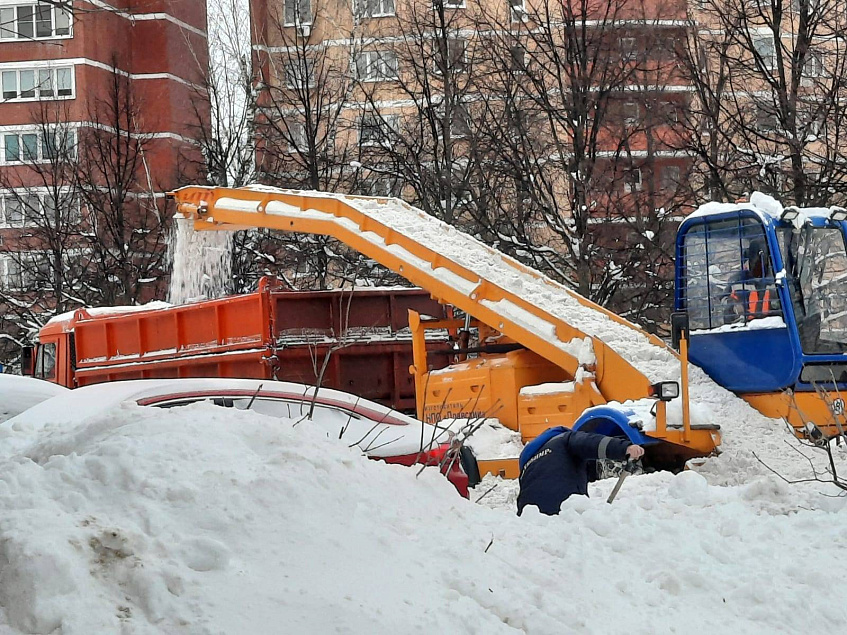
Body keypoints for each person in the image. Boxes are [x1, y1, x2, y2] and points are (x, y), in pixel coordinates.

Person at [517, 426, 645, 516]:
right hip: (562, 514)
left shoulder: (529, 463)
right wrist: (624, 448)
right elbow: (589, 443)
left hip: (529, 523)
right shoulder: (564, 439)